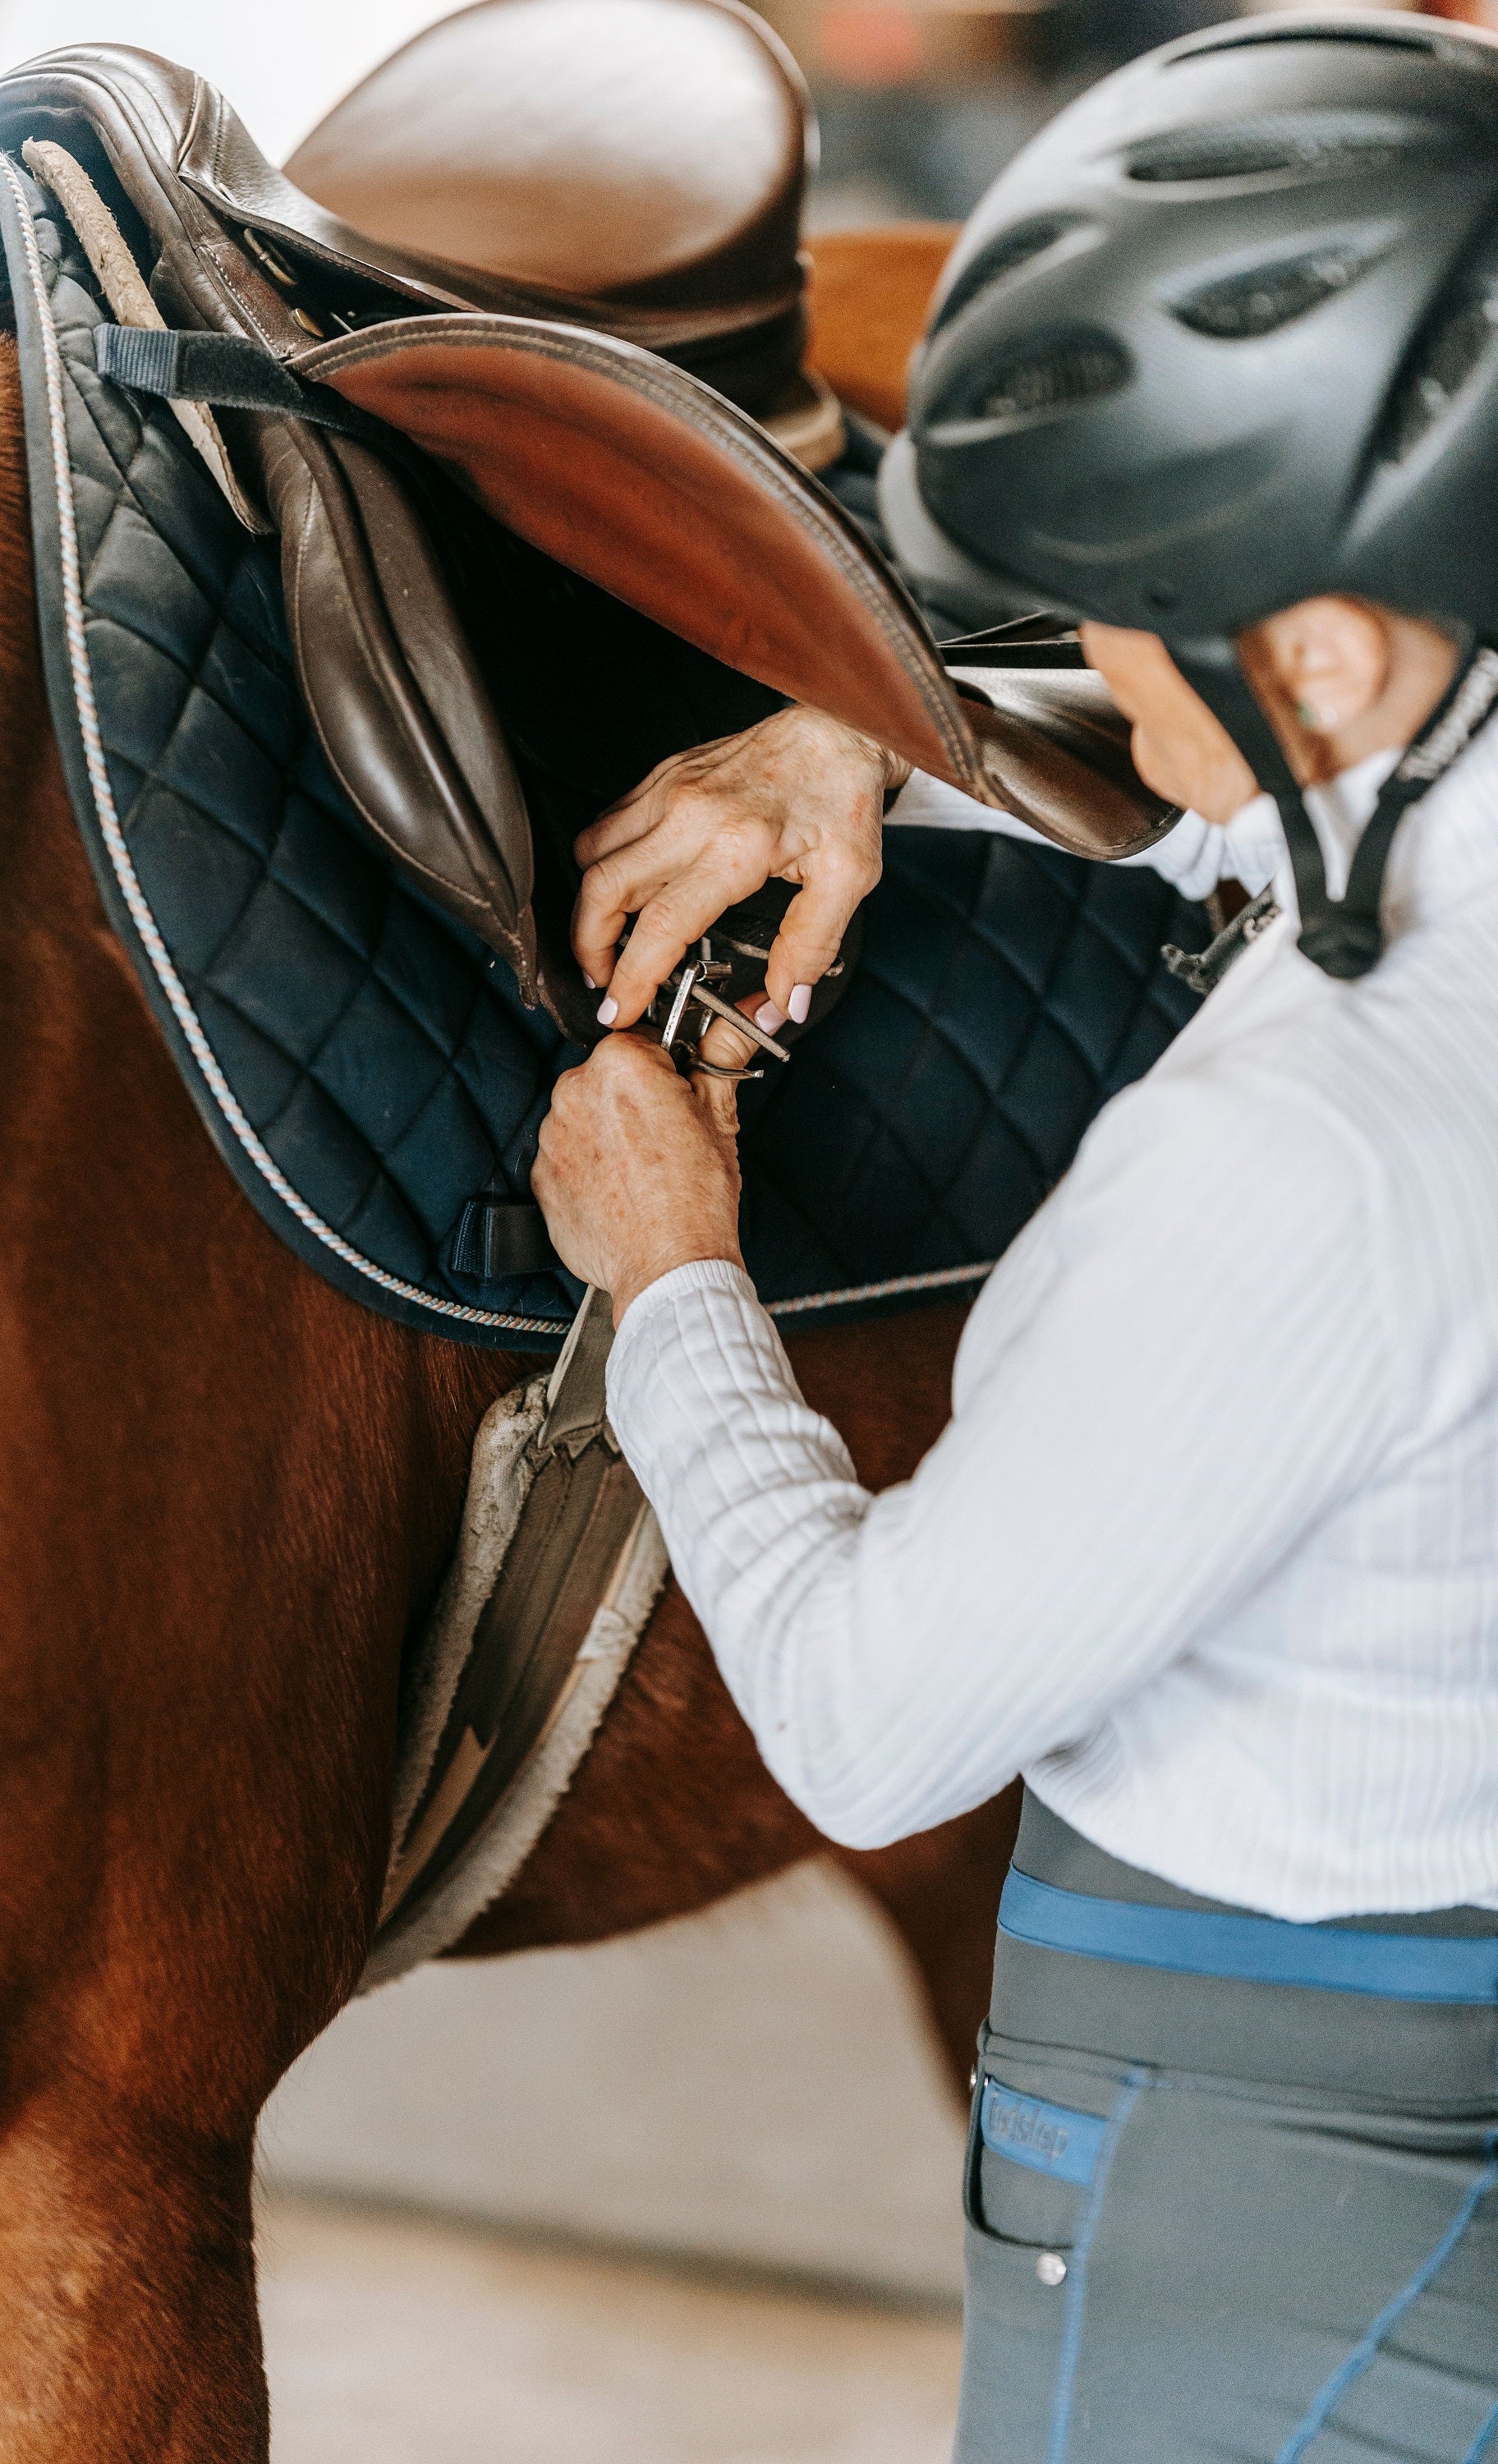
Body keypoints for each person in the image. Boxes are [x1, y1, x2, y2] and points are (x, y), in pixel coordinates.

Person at [532, 15, 1498, 2458]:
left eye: (1141, 614)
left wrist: (672, 1281)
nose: (1101, 661)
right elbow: (1267, 824)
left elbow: (872, 1726)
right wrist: (866, 742)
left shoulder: (1308, 1143)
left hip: (1248, 2165)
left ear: (1326, 657)